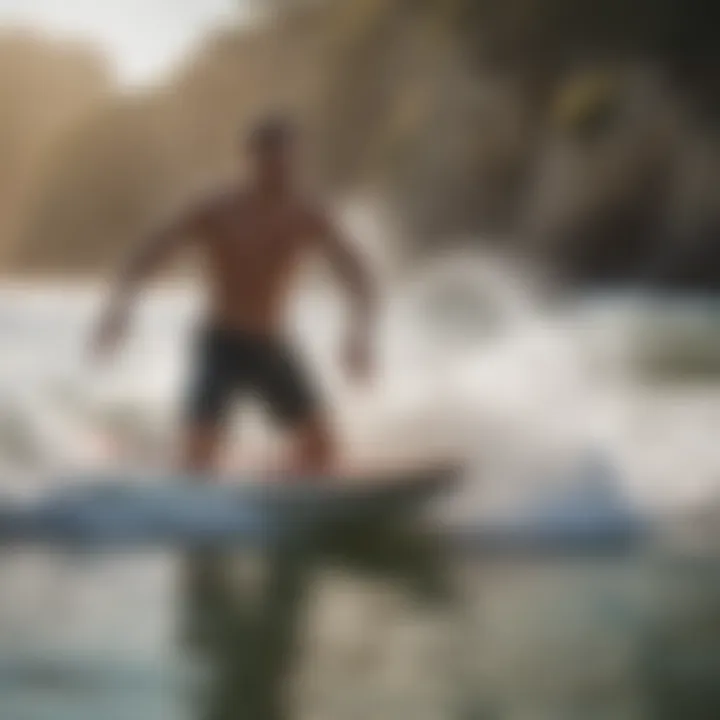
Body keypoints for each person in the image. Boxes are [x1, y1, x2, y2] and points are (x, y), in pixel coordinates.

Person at [91, 115, 376, 477]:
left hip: (271, 346)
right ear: (252, 159)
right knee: (197, 462)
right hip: (221, 344)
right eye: (274, 162)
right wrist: (118, 313)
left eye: (290, 161)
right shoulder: (217, 209)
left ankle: (274, 486)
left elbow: (359, 275)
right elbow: (148, 253)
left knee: (322, 453)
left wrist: (359, 335)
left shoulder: (307, 214)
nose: (283, 171)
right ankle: (156, 460)